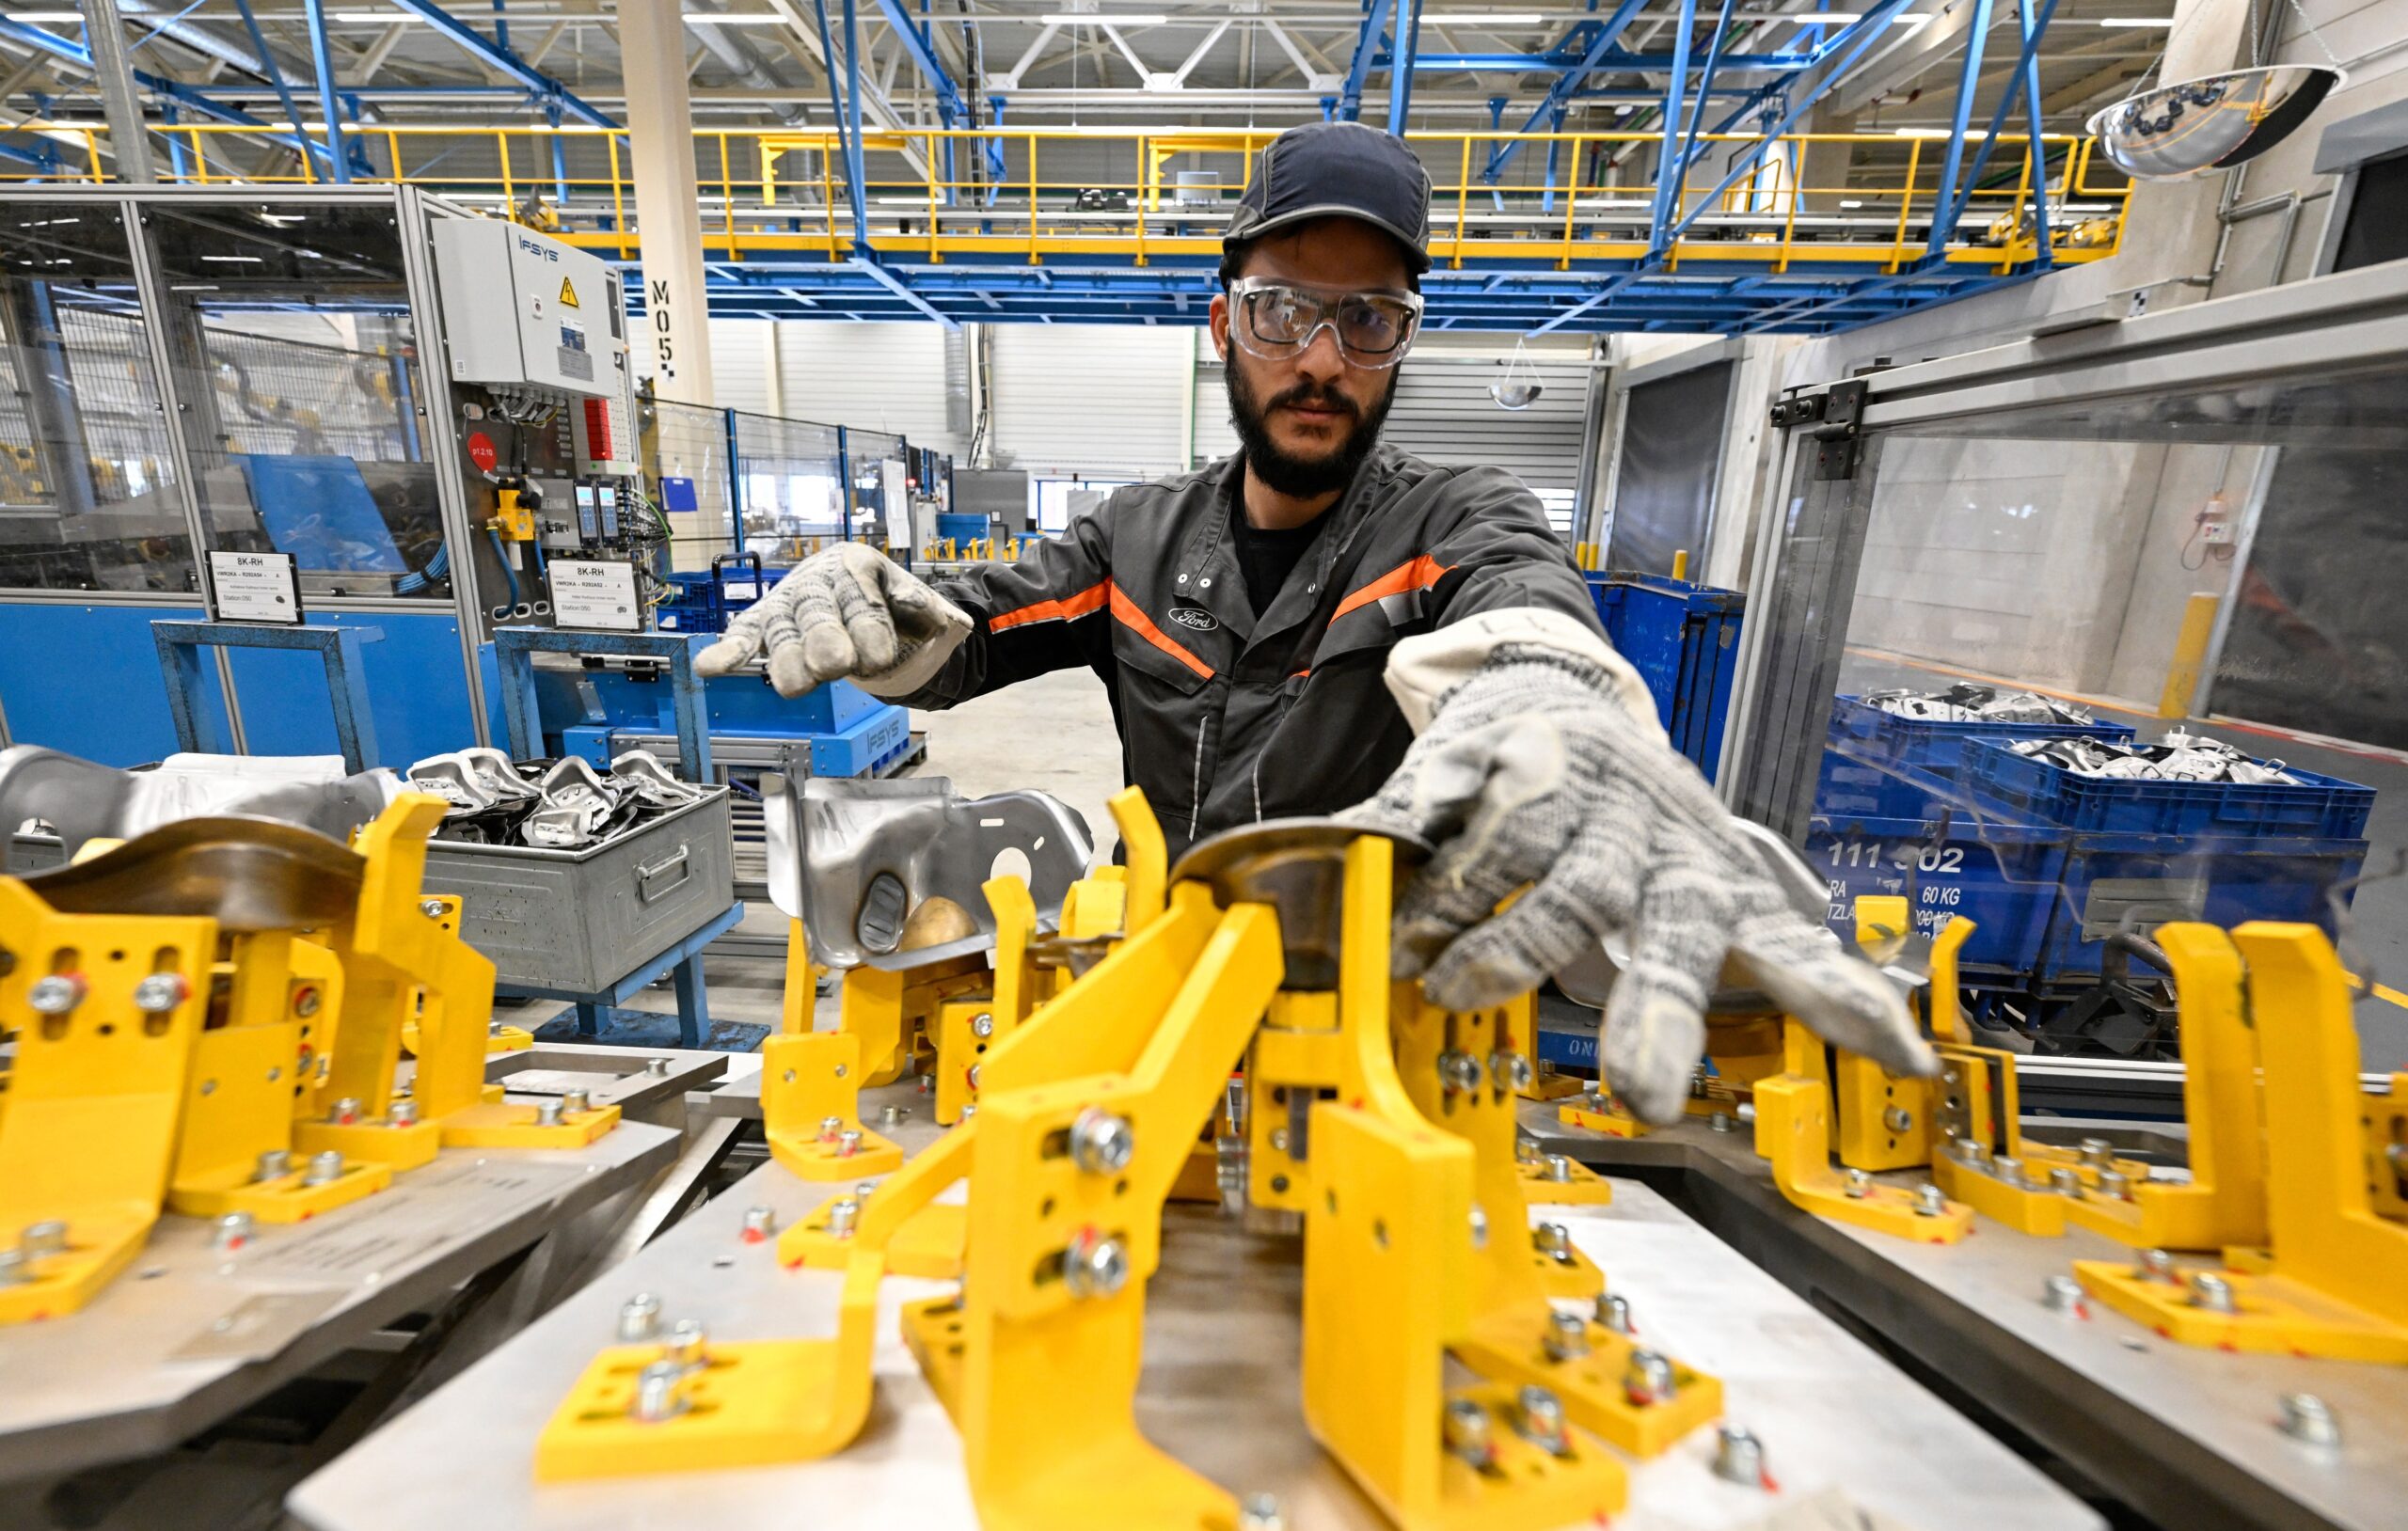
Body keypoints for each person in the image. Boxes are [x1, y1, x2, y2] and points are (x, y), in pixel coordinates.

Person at [698, 120, 1932, 1121]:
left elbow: (1522, 601)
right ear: (1226, 315)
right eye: (1286, 309)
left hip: (1372, 1031)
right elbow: (971, 628)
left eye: (1369, 319)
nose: (1323, 358)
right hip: (1150, 1000)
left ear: (1404, 340)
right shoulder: (1134, 539)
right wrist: (888, 605)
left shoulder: (1457, 517)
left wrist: (1551, 697)